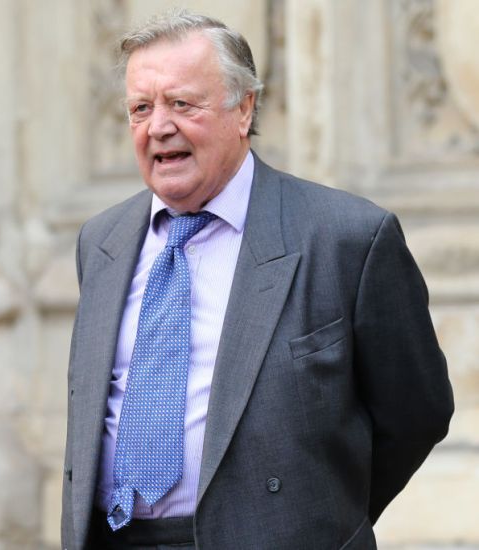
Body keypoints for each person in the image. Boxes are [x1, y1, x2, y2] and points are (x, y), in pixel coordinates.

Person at [61, 9, 453, 550]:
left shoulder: (347, 238)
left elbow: (416, 414)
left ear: (243, 108)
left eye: (182, 104)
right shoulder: (101, 241)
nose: (158, 127)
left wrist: (322, 520)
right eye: (141, 108)